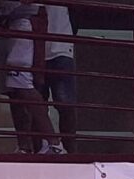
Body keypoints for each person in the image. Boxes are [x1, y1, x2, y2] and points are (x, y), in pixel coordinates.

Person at [0, 0, 63, 154]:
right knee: (14, 88)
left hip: (25, 20)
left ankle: (53, 143)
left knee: (20, 81)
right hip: (9, 23)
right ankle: (25, 146)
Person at [37, 2, 77, 153]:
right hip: (34, 46)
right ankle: (41, 146)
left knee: (65, 104)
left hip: (60, 47)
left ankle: (69, 150)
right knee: (36, 103)